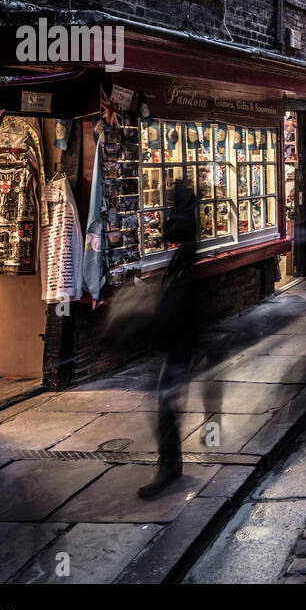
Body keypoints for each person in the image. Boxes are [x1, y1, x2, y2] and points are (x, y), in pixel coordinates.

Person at [139, 179, 200, 499]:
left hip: (181, 346)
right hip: (180, 344)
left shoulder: (187, 254)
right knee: (166, 402)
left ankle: (169, 468)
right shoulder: (186, 256)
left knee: (166, 403)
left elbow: (170, 231)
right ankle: (170, 465)